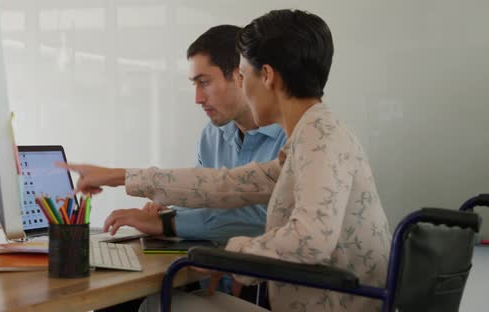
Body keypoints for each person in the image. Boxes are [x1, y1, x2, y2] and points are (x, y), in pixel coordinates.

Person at [61, 9, 391, 312]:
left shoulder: (320, 137)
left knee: (157, 305)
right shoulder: (312, 135)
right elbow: (225, 185)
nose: (243, 90)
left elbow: (310, 240)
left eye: (244, 77)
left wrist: (225, 256)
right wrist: (120, 176)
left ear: (268, 77)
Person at [104, 25, 286, 244]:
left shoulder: (292, 137)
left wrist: (167, 223)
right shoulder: (212, 134)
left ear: (240, 76)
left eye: (204, 82)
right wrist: (171, 204)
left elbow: (265, 220)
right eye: (195, 84)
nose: (197, 98)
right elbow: (203, 194)